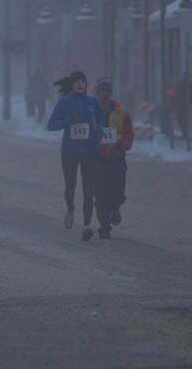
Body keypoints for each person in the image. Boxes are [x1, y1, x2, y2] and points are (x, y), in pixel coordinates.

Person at [47, 70, 102, 242]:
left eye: (82, 81)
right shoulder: (65, 102)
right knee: (70, 187)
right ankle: (71, 209)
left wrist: (99, 133)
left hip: (89, 151)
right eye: (77, 81)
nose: (80, 84)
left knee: (88, 190)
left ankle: (87, 225)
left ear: (86, 84)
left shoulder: (93, 102)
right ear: (72, 85)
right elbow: (51, 125)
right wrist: (67, 121)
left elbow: (101, 122)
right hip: (70, 152)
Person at [94, 78, 134, 239]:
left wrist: (122, 142)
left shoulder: (120, 112)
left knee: (117, 193)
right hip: (97, 160)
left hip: (116, 158)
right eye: (101, 91)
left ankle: (115, 208)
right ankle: (104, 226)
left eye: (107, 91)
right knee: (100, 194)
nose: (104, 94)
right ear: (97, 94)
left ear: (110, 93)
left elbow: (129, 133)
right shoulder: (90, 111)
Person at [173, 72, 192, 152]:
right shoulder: (181, 84)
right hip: (182, 105)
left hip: (185, 105)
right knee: (181, 118)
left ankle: (185, 133)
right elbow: (176, 93)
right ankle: (185, 132)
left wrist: (190, 101)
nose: (188, 78)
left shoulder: (189, 85)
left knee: (185, 119)